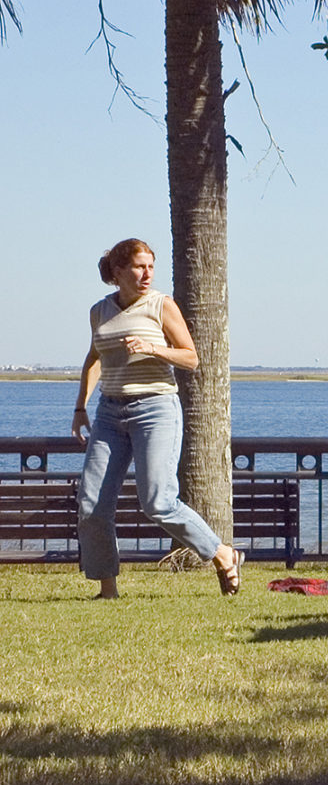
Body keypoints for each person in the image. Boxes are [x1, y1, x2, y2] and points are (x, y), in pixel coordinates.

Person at [73, 239, 244, 598]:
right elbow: (95, 358)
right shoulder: (99, 311)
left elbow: (191, 358)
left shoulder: (161, 305)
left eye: (151, 266)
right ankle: (108, 590)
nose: (146, 273)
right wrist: (80, 408)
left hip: (155, 409)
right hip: (109, 413)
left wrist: (153, 348)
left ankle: (222, 554)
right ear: (117, 272)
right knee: (91, 504)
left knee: (158, 501)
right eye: (138, 266)